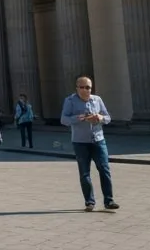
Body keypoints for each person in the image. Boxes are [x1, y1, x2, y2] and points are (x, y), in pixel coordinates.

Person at [61, 75, 119, 212]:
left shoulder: (97, 100)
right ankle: (89, 202)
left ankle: (109, 201)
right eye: (82, 87)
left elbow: (108, 118)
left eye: (88, 87)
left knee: (104, 170)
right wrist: (79, 118)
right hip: (80, 142)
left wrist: (100, 118)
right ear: (77, 88)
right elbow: (64, 119)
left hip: (98, 140)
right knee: (84, 173)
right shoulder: (70, 101)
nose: (86, 90)